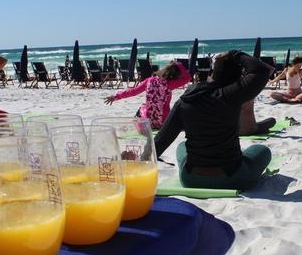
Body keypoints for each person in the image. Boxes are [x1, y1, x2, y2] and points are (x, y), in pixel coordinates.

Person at [155, 50, 273, 190]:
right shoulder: (233, 95)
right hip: (233, 178)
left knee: (182, 146)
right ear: (238, 78)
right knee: (262, 150)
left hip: (191, 179)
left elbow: (159, 143)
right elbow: (261, 70)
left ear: (211, 73)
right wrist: (235, 53)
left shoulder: (185, 100)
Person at [104, 61, 191, 129]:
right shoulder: (170, 84)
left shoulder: (148, 81)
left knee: (143, 107)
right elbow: (188, 77)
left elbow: (133, 92)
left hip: (148, 123)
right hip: (163, 122)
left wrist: (116, 96)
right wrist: (178, 64)